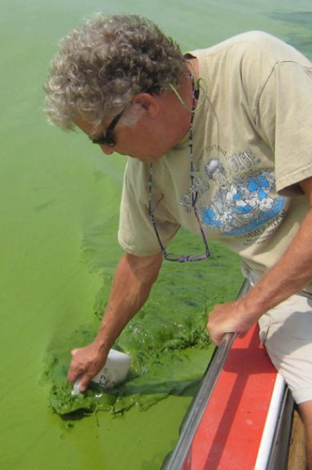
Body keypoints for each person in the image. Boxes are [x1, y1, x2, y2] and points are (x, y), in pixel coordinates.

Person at [44, 13, 312, 466]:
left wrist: (246, 307)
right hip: (285, 291)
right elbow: (138, 264)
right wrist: (100, 347)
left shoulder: (258, 67)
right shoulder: (146, 171)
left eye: (104, 138)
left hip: (269, 291)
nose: (108, 151)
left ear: (145, 105)